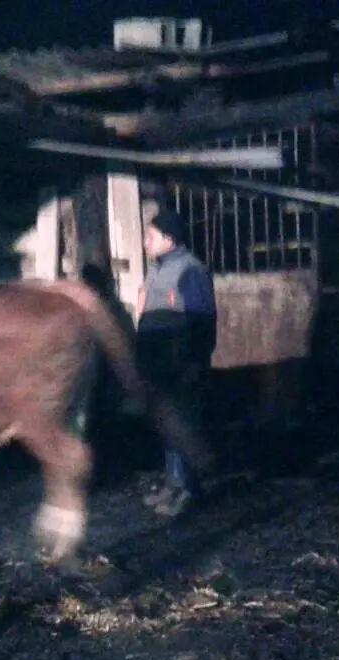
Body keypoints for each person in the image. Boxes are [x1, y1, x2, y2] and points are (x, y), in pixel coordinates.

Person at [135, 207, 217, 517]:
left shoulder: (189, 270)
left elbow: (202, 320)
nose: (146, 243)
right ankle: (173, 482)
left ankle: (189, 489)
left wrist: (196, 360)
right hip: (159, 361)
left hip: (179, 361)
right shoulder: (158, 268)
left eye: (150, 237)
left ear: (169, 239)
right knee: (167, 422)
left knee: (183, 422)